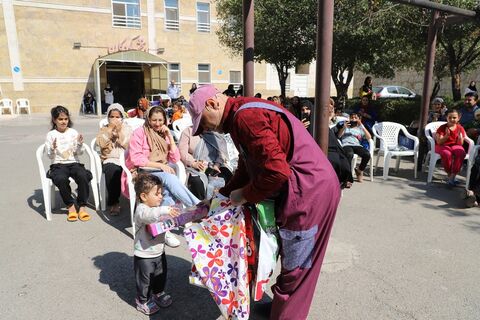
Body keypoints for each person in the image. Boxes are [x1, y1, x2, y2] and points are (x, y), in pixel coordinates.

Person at [187, 85, 341, 319]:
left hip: (309, 192)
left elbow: (276, 172)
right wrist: (222, 195)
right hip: (309, 187)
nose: (205, 128)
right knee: (291, 259)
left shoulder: (245, 118)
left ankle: (287, 314)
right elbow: (247, 166)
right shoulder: (241, 114)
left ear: (212, 104)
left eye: (203, 122)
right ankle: (282, 309)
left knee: (297, 268)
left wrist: (244, 195)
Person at [123, 106, 199, 246]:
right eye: (154, 120)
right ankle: (198, 207)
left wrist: (170, 137)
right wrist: (160, 166)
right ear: (148, 119)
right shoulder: (140, 133)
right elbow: (136, 159)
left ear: (165, 120)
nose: (157, 124)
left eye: (160, 120)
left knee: (168, 191)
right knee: (170, 178)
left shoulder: (164, 133)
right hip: (143, 171)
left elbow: (175, 158)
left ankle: (164, 229)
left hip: (161, 172)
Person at [133, 174, 179, 315]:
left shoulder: (157, 209)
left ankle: (158, 293)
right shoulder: (142, 209)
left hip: (159, 251)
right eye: (157, 193)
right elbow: (150, 215)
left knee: (160, 275)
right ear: (144, 196)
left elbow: (161, 223)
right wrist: (165, 210)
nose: (161, 196)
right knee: (145, 280)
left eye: (161, 193)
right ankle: (142, 301)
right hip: (144, 254)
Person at [45, 106, 92, 222]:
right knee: (60, 178)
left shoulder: (73, 132)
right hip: (58, 164)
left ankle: (82, 206)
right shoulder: (51, 135)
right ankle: (70, 206)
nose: (63, 121)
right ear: (54, 120)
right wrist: (53, 148)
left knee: (83, 175)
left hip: (74, 163)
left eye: (65, 119)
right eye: (60, 119)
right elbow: (50, 156)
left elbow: (79, 153)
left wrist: (80, 144)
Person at [178, 126, 232, 200]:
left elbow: (221, 154)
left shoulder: (217, 133)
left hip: (214, 164)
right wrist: (194, 163)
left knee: (227, 176)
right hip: (194, 165)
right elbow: (182, 151)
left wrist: (217, 165)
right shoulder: (188, 131)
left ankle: (225, 203)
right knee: (197, 182)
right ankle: (203, 204)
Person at [96, 103, 132, 215]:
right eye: (112, 117)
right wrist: (110, 130)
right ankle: (114, 202)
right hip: (110, 158)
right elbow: (101, 143)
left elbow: (129, 145)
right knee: (112, 170)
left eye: (117, 117)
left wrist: (119, 133)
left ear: (122, 117)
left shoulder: (127, 128)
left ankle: (137, 200)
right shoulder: (104, 129)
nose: (114, 119)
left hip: (126, 159)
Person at [335, 113, 372, 182]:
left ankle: (359, 170)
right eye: (352, 118)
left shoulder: (359, 129)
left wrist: (361, 125)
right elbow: (339, 136)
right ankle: (347, 175)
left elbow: (369, 137)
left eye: (355, 118)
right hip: (346, 145)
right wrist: (344, 127)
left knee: (367, 154)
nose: (353, 119)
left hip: (357, 145)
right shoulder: (345, 127)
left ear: (359, 119)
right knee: (349, 154)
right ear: (349, 119)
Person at [435, 109, 466, 186]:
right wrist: (446, 136)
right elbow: (439, 142)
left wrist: (460, 139)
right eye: (450, 117)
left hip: (455, 145)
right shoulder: (442, 128)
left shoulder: (460, 128)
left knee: (461, 153)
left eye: (454, 118)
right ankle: (450, 175)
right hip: (443, 145)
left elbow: (460, 144)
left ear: (459, 118)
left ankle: (452, 176)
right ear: (446, 117)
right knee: (446, 153)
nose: (452, 119)